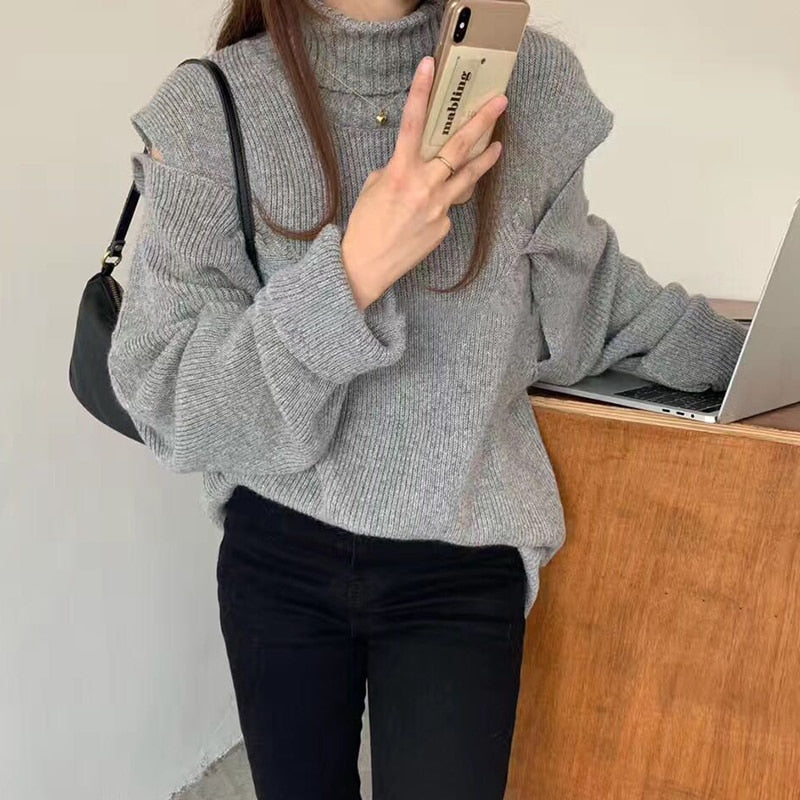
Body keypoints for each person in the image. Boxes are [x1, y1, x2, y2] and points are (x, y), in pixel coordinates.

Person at [107, 1, 747, 797]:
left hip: (463, 555)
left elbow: (598, 304)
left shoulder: (531, 84)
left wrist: (754, 362)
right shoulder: (214, 106)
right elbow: (170, 396)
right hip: (279, 552)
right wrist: (351, 275)